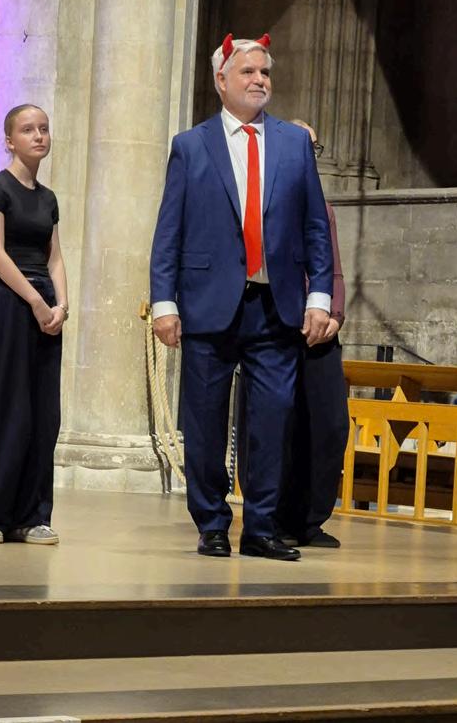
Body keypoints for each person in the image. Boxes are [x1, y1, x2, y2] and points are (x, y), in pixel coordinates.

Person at [150, 34, 333, 561]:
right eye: (248, 71)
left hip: (276, 304)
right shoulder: (191, 145)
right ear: (221, 80)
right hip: (208, 302)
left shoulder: (293, 144)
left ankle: (261, 528)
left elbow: (315, 226)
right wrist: (164, 302)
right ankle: (211, 523)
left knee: (273, 418)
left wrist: (319, 295)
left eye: (264, 72)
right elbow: (169, 231)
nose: (259, 80)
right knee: (205, 420)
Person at [0, 104, 68, 544]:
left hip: (46, 310)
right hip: (7, 305)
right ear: (10, 140)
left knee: (43, 416)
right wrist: (36, 301)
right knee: (4, 411)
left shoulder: (48, 198)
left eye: (43, 128)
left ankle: (32, 517)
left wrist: (61, 305)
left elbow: (55, 257)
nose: (38, 135)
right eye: (28, 130)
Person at [275, 119, 350, 549]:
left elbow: (333, 266)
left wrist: (335, 314)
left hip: (323, 329)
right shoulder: (269, 199)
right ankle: (276, 519)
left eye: (314, 148)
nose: (310, 155)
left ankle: (310, 519)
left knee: (328, 424)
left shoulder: (323, 206)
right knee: (281, 425)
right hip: (281, 325)